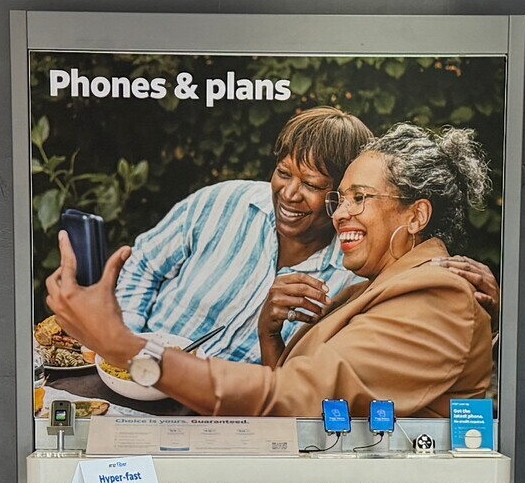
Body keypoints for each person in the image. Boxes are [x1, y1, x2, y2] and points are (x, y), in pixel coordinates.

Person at [44, 124, 497, 420]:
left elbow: (295, 400)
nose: (341, 214)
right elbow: (320, 396)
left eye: (359, 198)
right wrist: (270, 334)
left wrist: (125, 347)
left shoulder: (436, 292)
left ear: (416, 216)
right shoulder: (378, 284)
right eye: (341, 199)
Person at [113, 107, 367, 362]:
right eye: (283, 173)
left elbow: (304, 378)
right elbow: (143, 264)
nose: (289, 194)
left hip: (226, 388)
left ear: (342, 195)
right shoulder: (224, 202)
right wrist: (127, 344)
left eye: (310, 184)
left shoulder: (350, 281)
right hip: (135, 367)